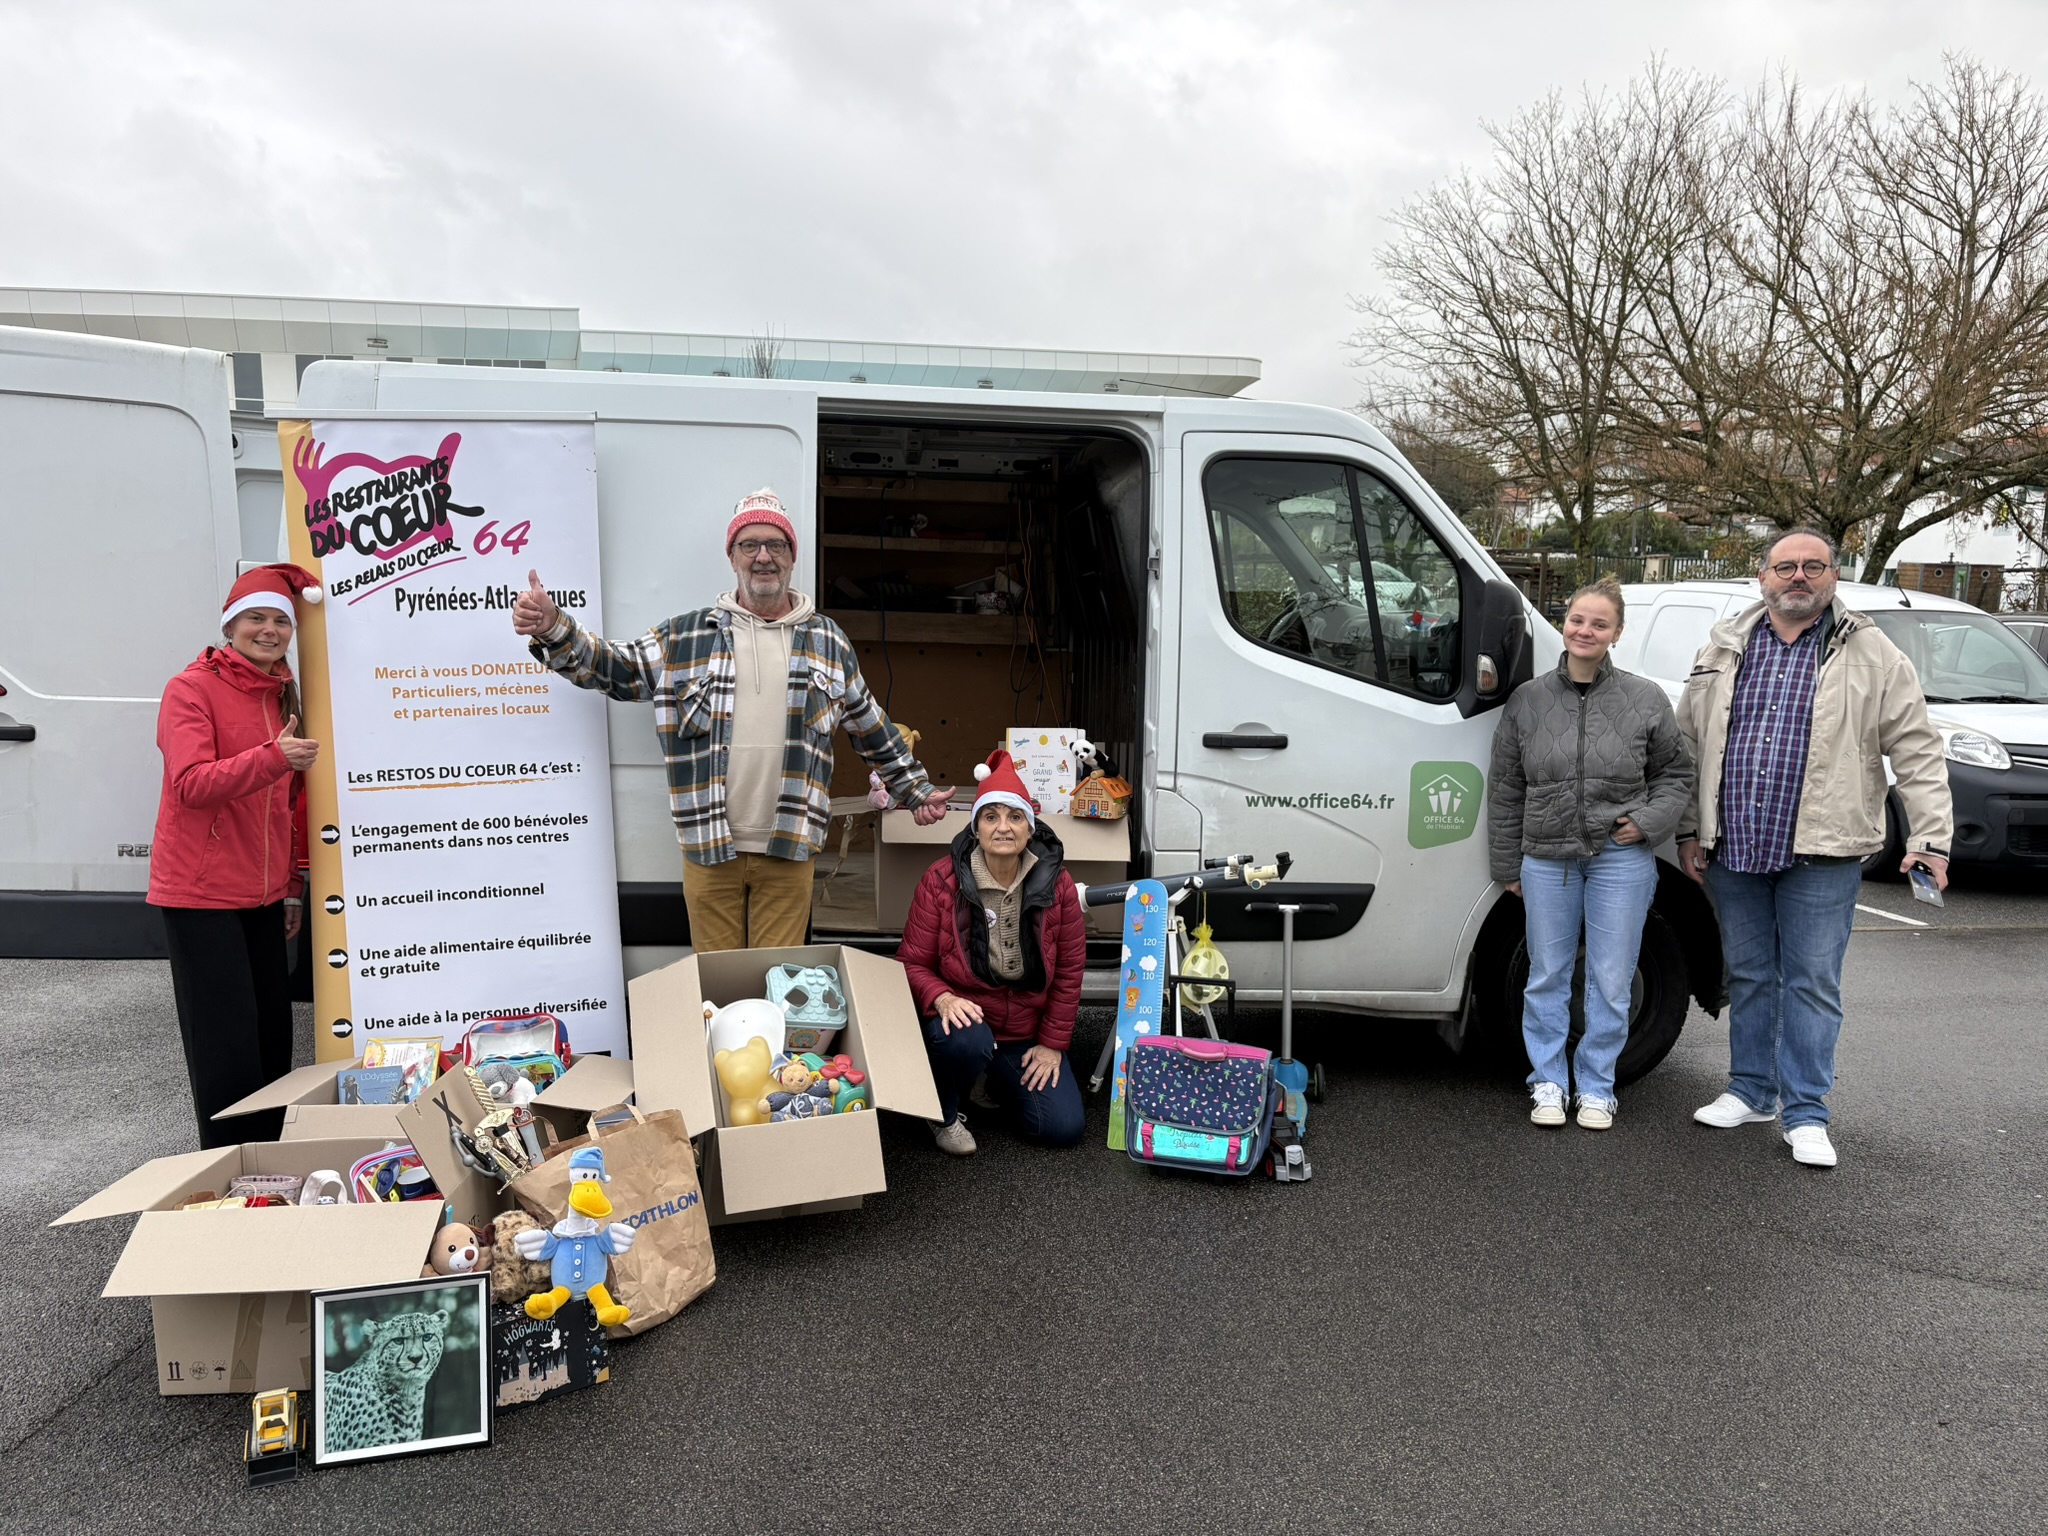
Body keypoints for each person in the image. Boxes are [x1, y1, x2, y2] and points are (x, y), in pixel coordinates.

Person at [512, 488, 949, 950]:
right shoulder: (684, 636)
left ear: (791, 556)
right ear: (732, 556)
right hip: (708, 845)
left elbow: (870, 725)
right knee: (718, 989)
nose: (763, 557)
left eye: (775, 545)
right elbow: (614, 669)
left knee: (777, 988)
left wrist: (915, 790)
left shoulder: (828, 641)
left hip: (790, 845)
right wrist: (554, 626)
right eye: (750, 545)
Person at [1677, 530, 1952, 1168]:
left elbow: (1916, 748)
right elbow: (1690, 746)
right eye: (1785, 567)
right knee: (1749, 974)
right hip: (1736, 846)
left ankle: (1806, 1113)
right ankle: (1751, 1090)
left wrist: (1931, 837)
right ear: (1763, 577)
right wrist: (1691, 830)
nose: (1797, 577)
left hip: (1823, 853)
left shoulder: (1872, 652)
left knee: (1811, 984)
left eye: (1812, 566)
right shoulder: (1725, 646)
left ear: (1832, 574)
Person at [1488, 577, 1694, 1131]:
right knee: (1547, 974)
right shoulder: (1528, 701)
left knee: (1610, 976)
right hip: (1546, 860)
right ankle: (1549, 1082)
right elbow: (1506, 787)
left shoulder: (1645, 698)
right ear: (1565, 621)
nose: (1586, 631)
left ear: (1616, 633)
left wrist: (1646, 824)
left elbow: (1676, 775)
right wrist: (1507, 864)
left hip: (1618, 859)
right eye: (1578, 619)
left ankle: (1598, 1086)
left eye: (1600, 624)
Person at [148, 563, 323, 1147]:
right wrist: (274, 757)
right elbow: (192, 784)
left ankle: (269, 1163)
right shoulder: (190, 688)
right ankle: (230, 1171)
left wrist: (292, 885)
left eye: (280, 620)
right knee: (225, 1048)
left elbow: (288, 804)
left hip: (264, 894)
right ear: (230, 625)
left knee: (271, 1040)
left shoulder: (282, 691)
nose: (269, 630)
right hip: (201, 896)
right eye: (255, 618)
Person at [898, 750, 1087, 1154]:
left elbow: (1070, 969)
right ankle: (942, 1111)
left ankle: (989, 1077)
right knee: (966, 1041)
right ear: (976, 828)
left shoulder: (1059, 885)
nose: (1003, 828)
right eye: (991, 817)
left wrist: (1053, 1043)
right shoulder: (940, 880)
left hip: (1023, 1033)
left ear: (1030, 828)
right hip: (964, 1023)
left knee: (1061, 1128)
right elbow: (910, 963)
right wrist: (943, 997)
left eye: (1015, 817)